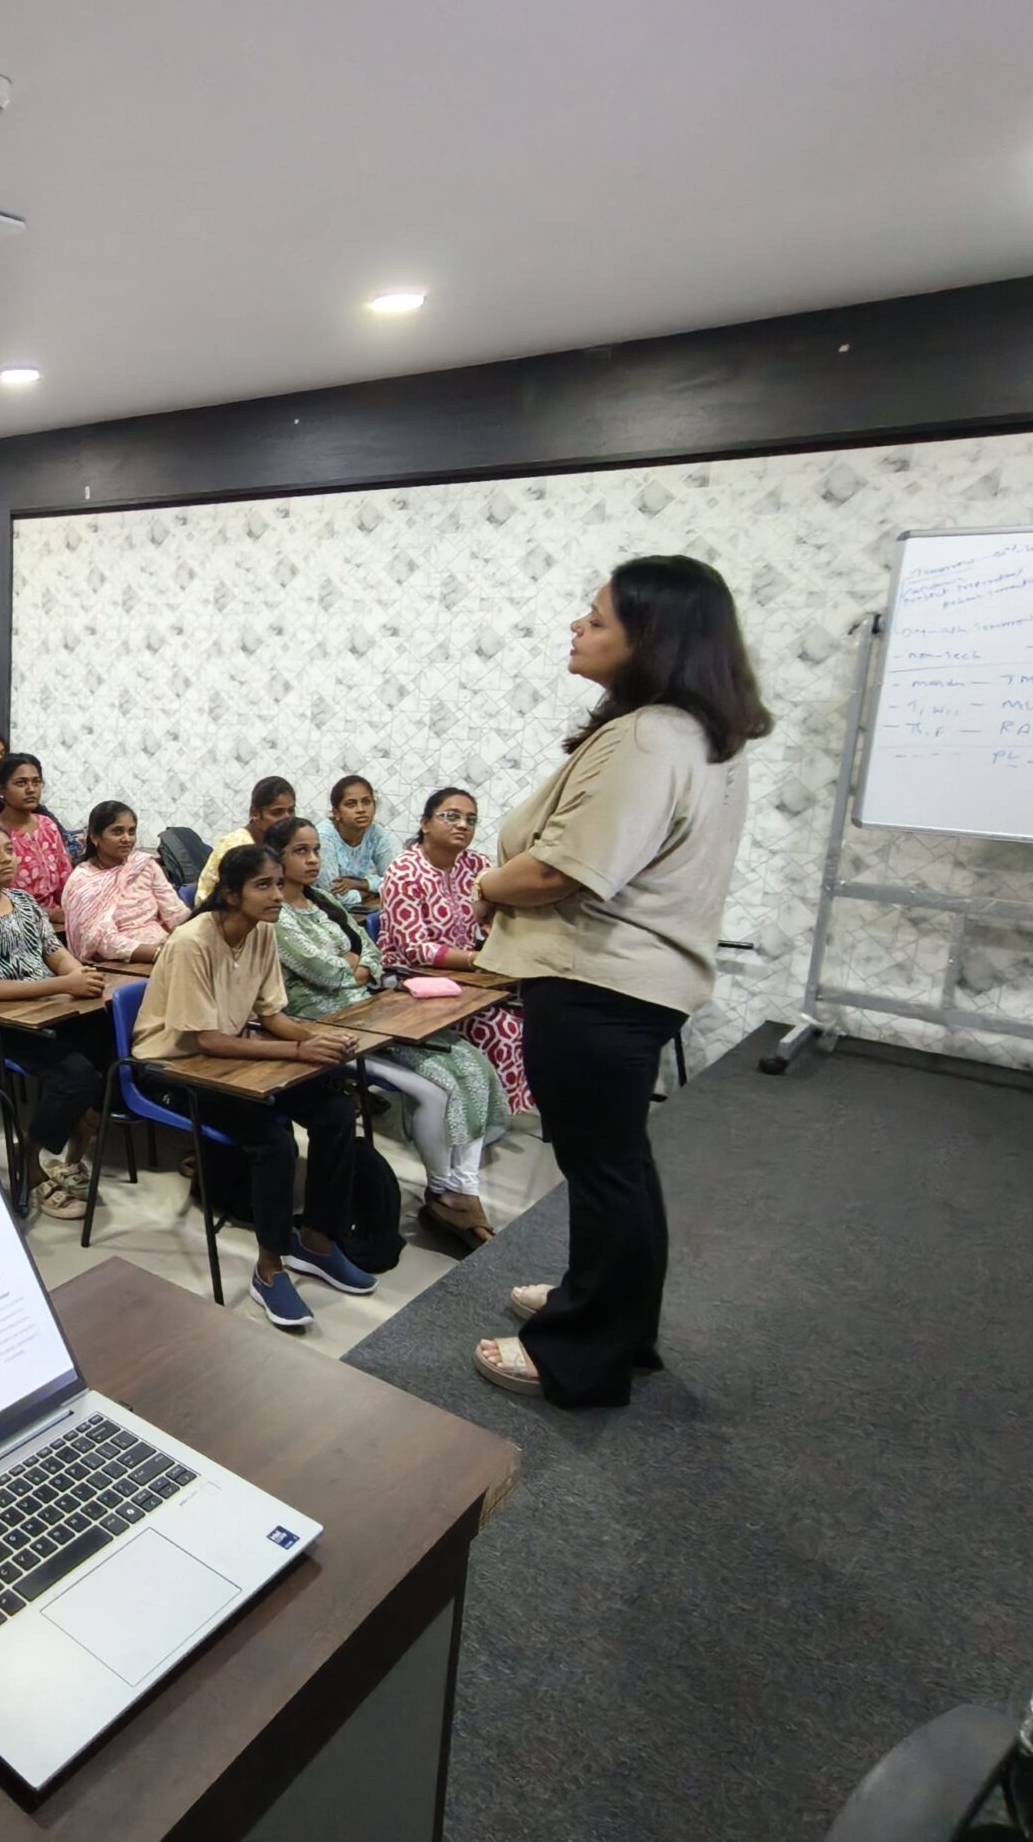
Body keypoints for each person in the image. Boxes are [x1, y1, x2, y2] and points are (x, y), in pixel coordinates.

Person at [471, 557, 769, 1406]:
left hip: (594, 978)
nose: (577, 626)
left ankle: (580, 1356)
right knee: (620, 1164)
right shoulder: (702, 736)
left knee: (603, 1170)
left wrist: (485, 885)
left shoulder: (645, 736)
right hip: (643, 984)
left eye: (596, 618)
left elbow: (558, 873)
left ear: (653, 638)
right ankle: (610, 1313)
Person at [132, 845, 373, 1333]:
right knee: (272, 1139)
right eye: (264, 885)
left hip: (229, 1059)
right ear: (229, 893)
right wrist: (297, 1053)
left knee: (336, 1114)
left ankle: (318, 1242)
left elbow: (273, 1017)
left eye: (279, 884)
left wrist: (319, 1038)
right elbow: (205, 1040)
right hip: (171, 1069)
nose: (277, 895)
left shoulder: (263, 932)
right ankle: (270, 1268)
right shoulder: (191, 942)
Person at [264, 818, 504, 1249]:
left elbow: (371, 952)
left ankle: (461, 1191)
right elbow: (320, 970)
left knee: (474, 1066)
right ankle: (443, 1187)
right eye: (301, 851)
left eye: (316, 849)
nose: (314, 859)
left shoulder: (322, 901)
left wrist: (357, 966)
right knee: (436, 1090)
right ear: (277, 856)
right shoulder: (275, 913)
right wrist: (353, 966)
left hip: (370, 1008)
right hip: (328, 1026)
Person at [0, 822, 112, 1217]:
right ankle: (28, 1159)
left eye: (8, 850)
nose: (5, 860)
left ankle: (72, 1157)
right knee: (74, 1075)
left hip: (45, 1007)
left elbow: (53, 950)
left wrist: (77, 974)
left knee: (110, 1042)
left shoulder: (25, 902)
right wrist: (60, 984)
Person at [379, 787, 533, 1115]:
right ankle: (487, 1118)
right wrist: (476, 960)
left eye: (470, 819)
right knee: (503, 1030)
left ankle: (497, 1107)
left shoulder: (477, 865)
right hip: (411, 980)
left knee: (533, 1017)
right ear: (426, 824)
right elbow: (414, 949)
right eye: (451, 816)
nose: (462, 824)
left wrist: (496, 942)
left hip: (466, 974)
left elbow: (494, 915)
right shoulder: (404, 872)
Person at [62, 801, 188, 963]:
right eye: (117, 832)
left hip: (164, 950)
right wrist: (160, 954)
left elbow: (175, 913)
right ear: (95, 837)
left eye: (131, 832)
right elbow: (103, 941)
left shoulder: (144, 865)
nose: (127, 839)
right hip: (120, 963)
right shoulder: (83, 881)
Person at [0, 752, 71, 917]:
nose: (31, 789)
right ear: (1, 789)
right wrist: (47, 915)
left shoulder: (47, 826)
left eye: (36, 782)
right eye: (21, 783)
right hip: (11, 923)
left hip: (56, 922)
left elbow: (66, 883)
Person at [194, 776, 296, 901]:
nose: (287, 818)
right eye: (277, 812)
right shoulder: (237, 845)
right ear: (255, 813)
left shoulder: (280, 842)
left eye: (291, 811)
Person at [323, 775, 397, 907]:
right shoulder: (324, 838)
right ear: (336, 813)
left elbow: (396, 883)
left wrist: (361, 884)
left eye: (366, 802)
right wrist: (370, 893)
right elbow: (335, 896)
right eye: (351, 804)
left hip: (359, 910)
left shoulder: (375, 832)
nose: (361, 810)